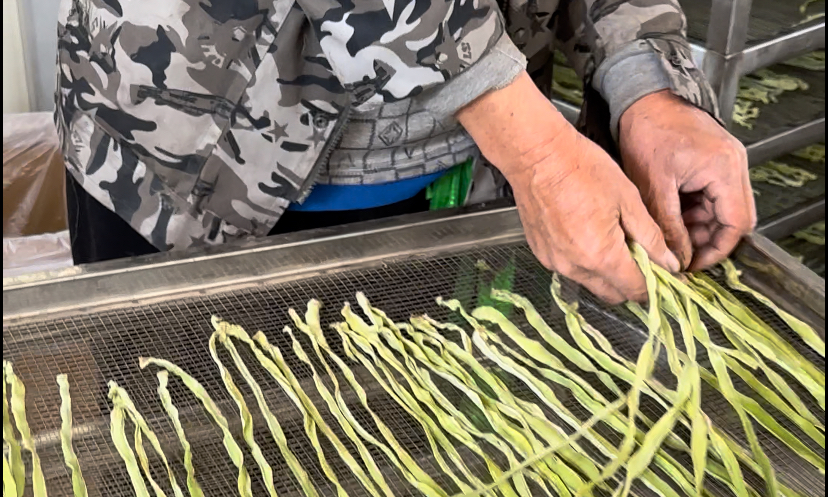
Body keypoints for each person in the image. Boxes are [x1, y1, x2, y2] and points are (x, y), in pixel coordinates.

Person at [56, 0, 755, 303]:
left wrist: (646, 83)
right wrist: (538, 153)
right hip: (203, 155)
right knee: (198, 486)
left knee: (410, 487)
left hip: (466, 179)